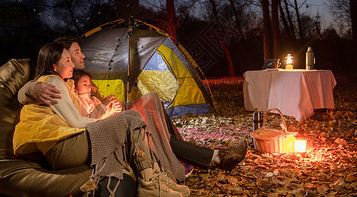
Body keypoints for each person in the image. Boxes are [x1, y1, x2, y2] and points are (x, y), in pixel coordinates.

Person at [18, 36, 247, 171]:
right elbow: (74, 113)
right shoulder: (60, 81)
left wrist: (103, 101)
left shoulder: (71, 80)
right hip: (89, 127)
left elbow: (84, 106)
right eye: (75, 53)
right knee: (148, 116)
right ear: (58, 59)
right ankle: (206, 156)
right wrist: (29, 88)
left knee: (152, 99)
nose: (82, 56)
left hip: (98, 117)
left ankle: (184, 151)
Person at [13, 42, 190, 197]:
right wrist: (109, 124)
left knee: (132, 117)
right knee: (131, 118)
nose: (74, 62)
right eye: (69, 58)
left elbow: (83, 115)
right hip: (61, 146)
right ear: (54, 64)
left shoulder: (66, 84)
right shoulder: (52, 82)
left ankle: (153, 179)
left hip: (65, 142)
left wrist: (105, 110)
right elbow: (75, 121)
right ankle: (150, 183)